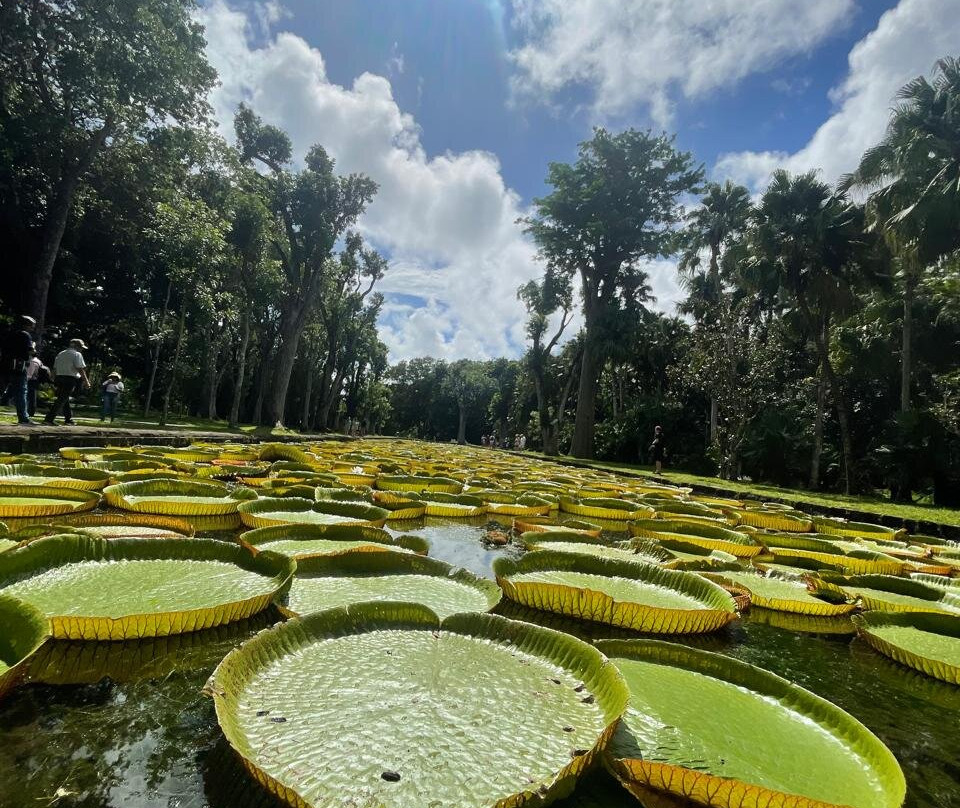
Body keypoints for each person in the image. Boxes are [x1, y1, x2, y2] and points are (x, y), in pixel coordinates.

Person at [0, 315, 37, 424]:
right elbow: (31, 351)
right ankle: (23, 418)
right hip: (18, 367)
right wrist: (34, 347)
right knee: (21, 392)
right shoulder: (25, 335)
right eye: (32, 326)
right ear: (26, 325)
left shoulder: (8, 333)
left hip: (4, 366)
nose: (33, 328)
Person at [45, 338, 90, 425]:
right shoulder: (77, 354)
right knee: (61, 399)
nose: (81, 349)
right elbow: (80, 369)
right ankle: (49, 418)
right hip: (70, 379)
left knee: (64, 398)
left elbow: (54, 368)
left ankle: (68, 419)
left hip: (59, 378)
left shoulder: (61, 353)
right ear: (77, 347)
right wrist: (86, 381)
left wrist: (53, 379)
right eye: (81, 347)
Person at [24, 351, 48, 418]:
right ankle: (31, 412)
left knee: (30, 398)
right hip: (35, 381)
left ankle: (30, 412)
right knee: (32, 397)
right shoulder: (38, 361)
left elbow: (29, 374)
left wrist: (24, 381)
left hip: (31, 381)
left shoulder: (32, 362)